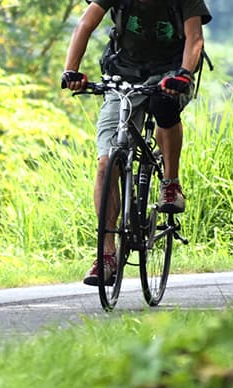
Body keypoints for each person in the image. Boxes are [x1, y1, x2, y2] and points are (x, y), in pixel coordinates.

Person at [61, 0, 211, 286]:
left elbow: (195, 38)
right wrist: (72, 70)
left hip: (170, 72)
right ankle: (106, 256)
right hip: (122, 75)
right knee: (106, 162)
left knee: (164, 106)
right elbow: (85, 24)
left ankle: (170, 183)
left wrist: (184, 73)